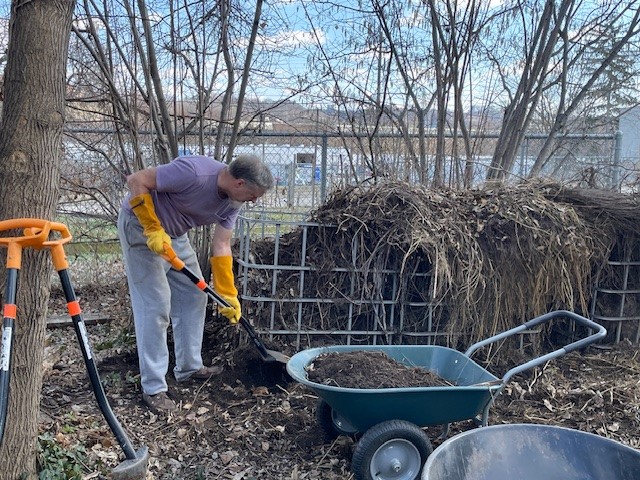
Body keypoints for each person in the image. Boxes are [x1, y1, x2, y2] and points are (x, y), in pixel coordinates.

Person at [117, 153, 274, 414]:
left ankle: (189, 368)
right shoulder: (194, 172)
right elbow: (136, 180)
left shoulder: (233, 202)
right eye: (254, 194)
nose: (254, 201)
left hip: (175, 236)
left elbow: (222, 244)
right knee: (155, 306)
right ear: (239, 183)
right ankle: (154, 388)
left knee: (195, 294)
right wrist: (152, 227)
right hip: (142, 228)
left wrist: (227, 294)